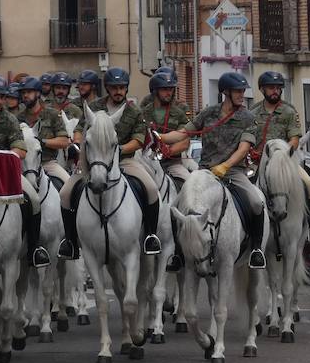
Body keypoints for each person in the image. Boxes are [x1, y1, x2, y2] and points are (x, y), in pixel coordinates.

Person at [161, 71, 267, 270]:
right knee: (175, 206)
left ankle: (256, 250)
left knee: (256, 203)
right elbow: (184, 132)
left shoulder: (248, 117)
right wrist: (160, 137)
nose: (241, 94)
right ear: (225, 92)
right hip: (206, 173)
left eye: (242, 91)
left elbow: (244, 147)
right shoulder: (208, 113)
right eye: (237, 91)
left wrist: (225, 166)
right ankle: (178, 254)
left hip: (234, 172)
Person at [58, 67, 161, 260]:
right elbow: (80, 128)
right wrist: (78, 145)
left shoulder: (134, 111)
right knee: (65, 193)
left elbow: (138, 140)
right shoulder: (94, 107)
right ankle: (70, 241)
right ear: (107, 88)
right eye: (114, 87)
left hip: (125, 160)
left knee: (151, 189)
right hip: (94, 162)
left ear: (126, 89)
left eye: (122, 87)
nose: (118, 91)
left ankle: (150, 235)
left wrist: (118, 150)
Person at [0, 76, 49, 270]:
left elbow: (21, 149)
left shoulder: (9, 119)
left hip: (3, 173)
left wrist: (4, 156)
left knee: (33, 198)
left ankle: (34, 249)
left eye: (2, 97)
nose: (0, 101)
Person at [249, 70, 310, 220]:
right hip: (257, 163)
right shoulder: (253, 113)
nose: (275, 91)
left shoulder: (289, 112)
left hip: (285, 162)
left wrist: (281, 155)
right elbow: (247, 138)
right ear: (262, 89)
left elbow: (294, 139)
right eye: (271, 88)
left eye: (278, 88)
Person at [19, 75, 72, 186]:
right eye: (23, 93)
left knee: (69, 187)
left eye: (29, 92)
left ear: (38, 93)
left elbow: (64, 141)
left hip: (48, 163)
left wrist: (42, 142)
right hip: (24, 166)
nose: (25, 95)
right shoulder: (18, 118)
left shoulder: (52, 114)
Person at [144, 70, 191, 187]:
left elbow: (185, 142)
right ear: (155, 91)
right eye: (164, 89)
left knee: (189, 183)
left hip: (172, 163)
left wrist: (168, 151)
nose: (168, 93)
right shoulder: (142, 113)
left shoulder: (179, 113)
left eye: (170, 89)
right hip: (147, 163)